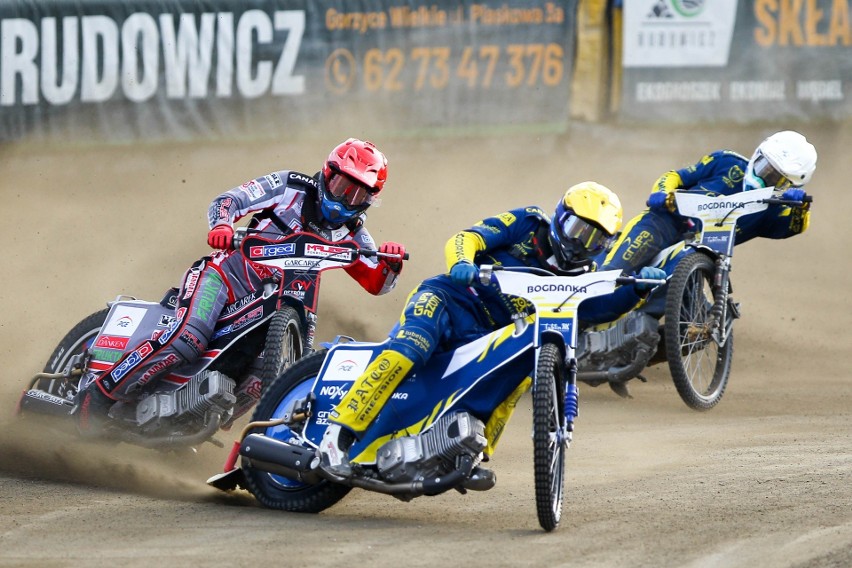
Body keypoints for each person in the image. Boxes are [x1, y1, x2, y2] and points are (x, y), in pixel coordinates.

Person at [316, 181, 665, 477]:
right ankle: (337, 435)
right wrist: (463, 263)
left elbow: (601, 309)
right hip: (450, 300)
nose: (580, 244)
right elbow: (466, 238)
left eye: (594, 240)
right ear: (561, 216)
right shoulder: (528, 223)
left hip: (487, 336)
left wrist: (638, 289)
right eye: (577, 229)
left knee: (519, 374)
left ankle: (474, 451)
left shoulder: (585, 275)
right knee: (412, 347)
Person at [77, 138, 407, 433]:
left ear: (369, 200)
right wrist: (221, 224)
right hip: (223, 277)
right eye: (341, 185)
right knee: (188, 338)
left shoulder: (354, 234)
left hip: (280, 302)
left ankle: (200, 422)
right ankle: (100, 395)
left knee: (265, 373)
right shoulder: (288, 185)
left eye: (358, 193)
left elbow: (377, 283)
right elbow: (228, 201)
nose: (345, 198)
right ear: (326, 173)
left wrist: (390, 264)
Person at [598, 130, 817, 274]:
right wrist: (663, 193)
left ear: (790, 186)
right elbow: (676, 176)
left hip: (704, 254)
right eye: (764, 168)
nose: (763, 178)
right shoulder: (725, 161)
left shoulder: (773, 208)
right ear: (756, 155)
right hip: (665, 223)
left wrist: (801, 208)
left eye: (776, 179)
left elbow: (794, 227)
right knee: (612, 273)